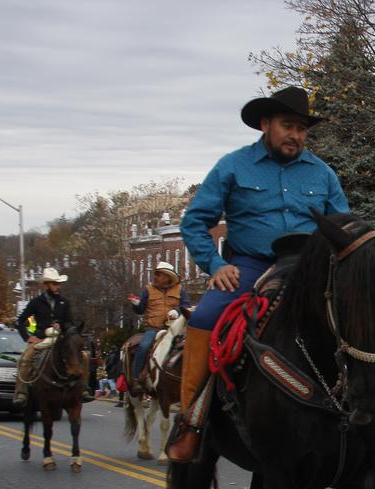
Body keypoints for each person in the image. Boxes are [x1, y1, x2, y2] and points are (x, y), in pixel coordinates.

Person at [165, 86, 350, 463]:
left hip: (310, 268)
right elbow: (194, 222)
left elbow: (342, 226)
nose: (295, 135)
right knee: (203, 318)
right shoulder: (233, 166)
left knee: (366, 316)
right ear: (265, 124)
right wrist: (216, 267)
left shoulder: (323, 173)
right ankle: (191, 422)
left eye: (302, 128)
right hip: (250, 265)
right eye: (288, 126)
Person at [13, 267, 93, 406]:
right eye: (55, 284)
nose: (58, 287)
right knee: (25, 358)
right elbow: (20, 321)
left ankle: (84, 389)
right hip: (42, 338)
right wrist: (28, 337)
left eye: (58, 284)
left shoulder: (64, 302)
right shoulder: (36, 302)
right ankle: (21, 392)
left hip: (61, 339)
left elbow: (69, 322)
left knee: (84, 356)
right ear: (46, 285)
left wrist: (64, 327)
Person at [127, 262, 191, 395]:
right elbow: (140, 310)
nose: (154, 276)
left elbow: (186, 306)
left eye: (158, 274)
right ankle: (136, 379)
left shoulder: (180, 290)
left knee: (188, 348)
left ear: (167, 277)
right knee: (144, 346)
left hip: (174, 329)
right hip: (153, 328)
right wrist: (136, 304)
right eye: (155, 274)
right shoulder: (148, 290)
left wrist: (177, 310)